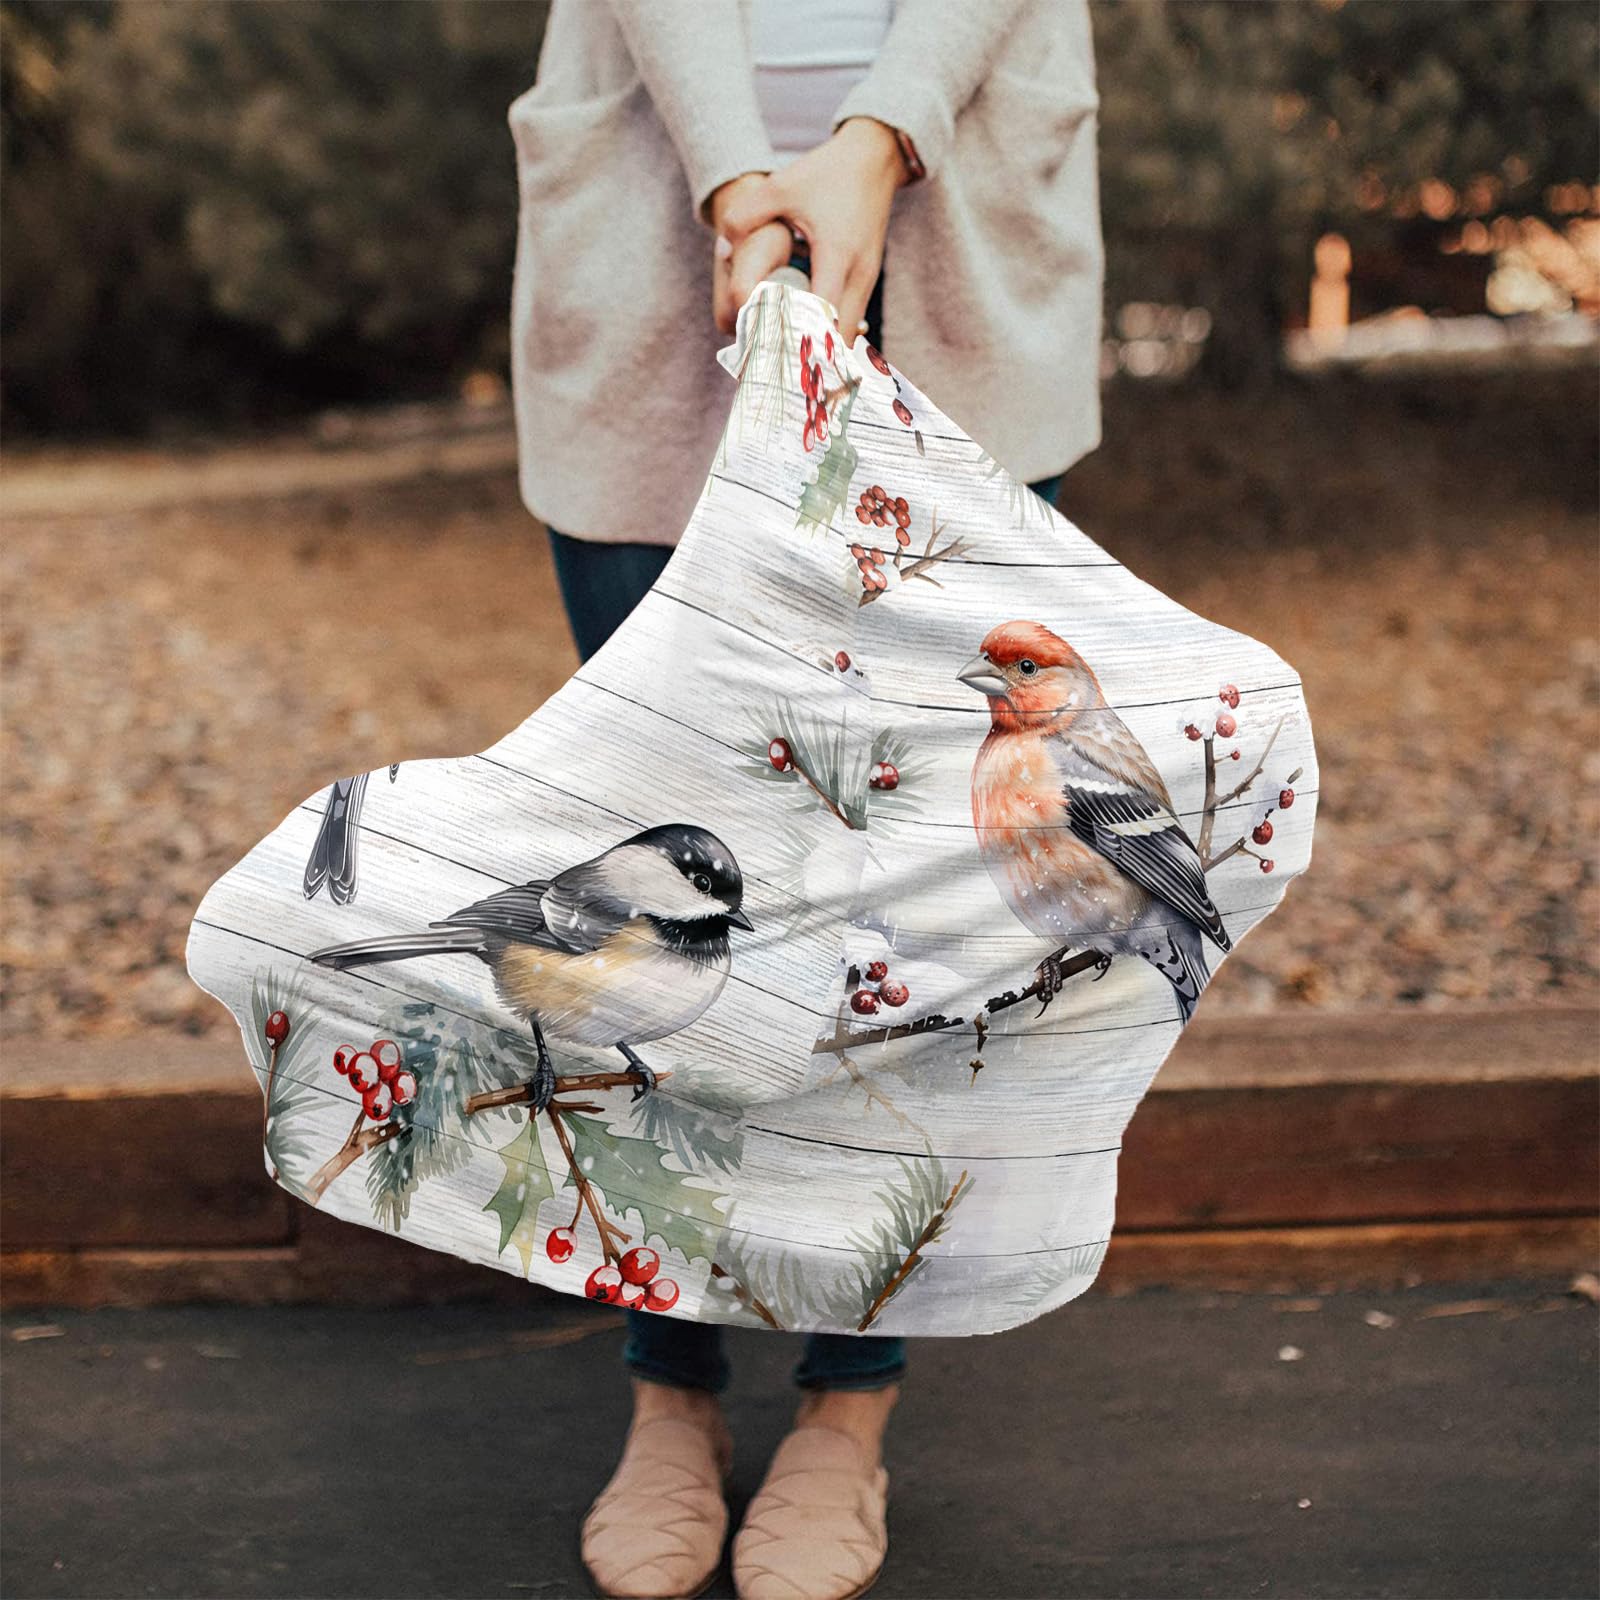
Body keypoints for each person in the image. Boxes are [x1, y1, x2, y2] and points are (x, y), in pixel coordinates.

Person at [506, 4, 1103, 1595]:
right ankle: (670, 1386)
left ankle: (850, 1403)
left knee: (904, 896)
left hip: (958, 228)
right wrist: (733, 179)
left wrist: (876, 137)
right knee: (663, 885)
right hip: (657, 222)